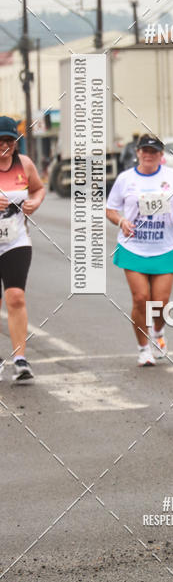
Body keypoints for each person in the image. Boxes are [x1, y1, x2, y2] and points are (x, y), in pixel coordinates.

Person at [106, 134, 173, 367]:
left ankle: (158, 333)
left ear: (161, 155)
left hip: (164, 247)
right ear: (137, 152)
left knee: (161, 304)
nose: (148, 155)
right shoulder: (125, 179)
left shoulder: (171, 176)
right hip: (133, 247)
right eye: (145, 150)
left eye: (153, 151)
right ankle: (143, 348)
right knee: (141, 298)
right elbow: (111, 209)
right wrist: (121, 221)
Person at [0, 116, 45, 382]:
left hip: (15, 242)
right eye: (0, 140)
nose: (4, 145)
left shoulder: (24, 164)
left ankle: (20, 359)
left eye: (9, 140)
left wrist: (35, 203)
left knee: (15, 297)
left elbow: (39, 189)